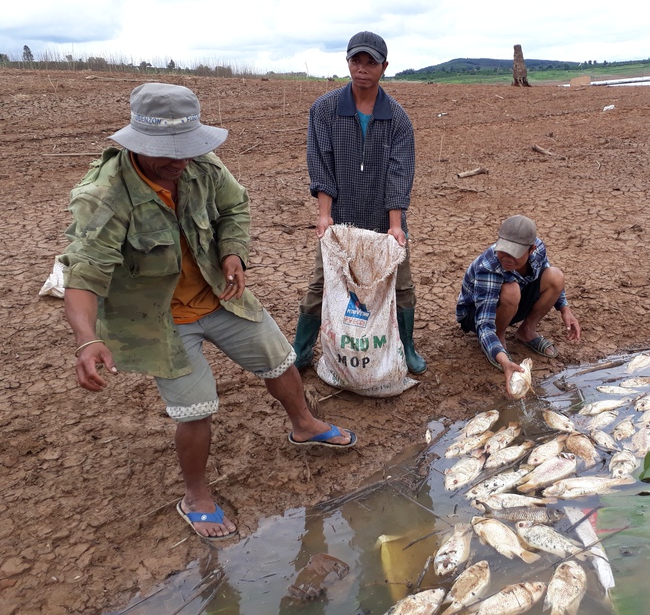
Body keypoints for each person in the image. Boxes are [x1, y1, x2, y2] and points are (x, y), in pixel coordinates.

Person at [59, 82, 356, 542]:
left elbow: (234, 206)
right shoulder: (102, 196)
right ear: (137, 143)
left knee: (279, 359)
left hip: (220, 293)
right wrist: (86, 339)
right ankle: (195, 495)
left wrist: (233, 252)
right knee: (195, 410)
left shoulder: (200, 164)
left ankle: (303, 424)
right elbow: (84, 273)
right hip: (159, 320)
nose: (179, 162)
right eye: (166, 153)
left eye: (187, 149)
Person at [293, 31, 426, 375]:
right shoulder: (324, 110)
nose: (362, 68)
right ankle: (301, 349)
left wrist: (395, 225)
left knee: (402, 284)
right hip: (342, 215)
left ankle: (406, 346)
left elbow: (399, 173)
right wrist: (324, 216)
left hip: (384, 216)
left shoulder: (397, 118)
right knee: (322, 282)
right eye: (356, 61)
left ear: (384, 66)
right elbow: (320, 163)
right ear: (348, 62)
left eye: (370, 62)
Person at [456, 215, 582, 394]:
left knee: (555, 276)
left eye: (514, 253)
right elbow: (483, 324)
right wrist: (505, 362)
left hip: (512, 302)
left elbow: (547, 274)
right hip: (475, 314)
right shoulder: (488, 267)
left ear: (531, 249)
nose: (507, 259)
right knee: (511, 290)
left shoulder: (539, 250)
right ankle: (499, 339)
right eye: (503, 251)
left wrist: (565, 309)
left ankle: (526, 331)